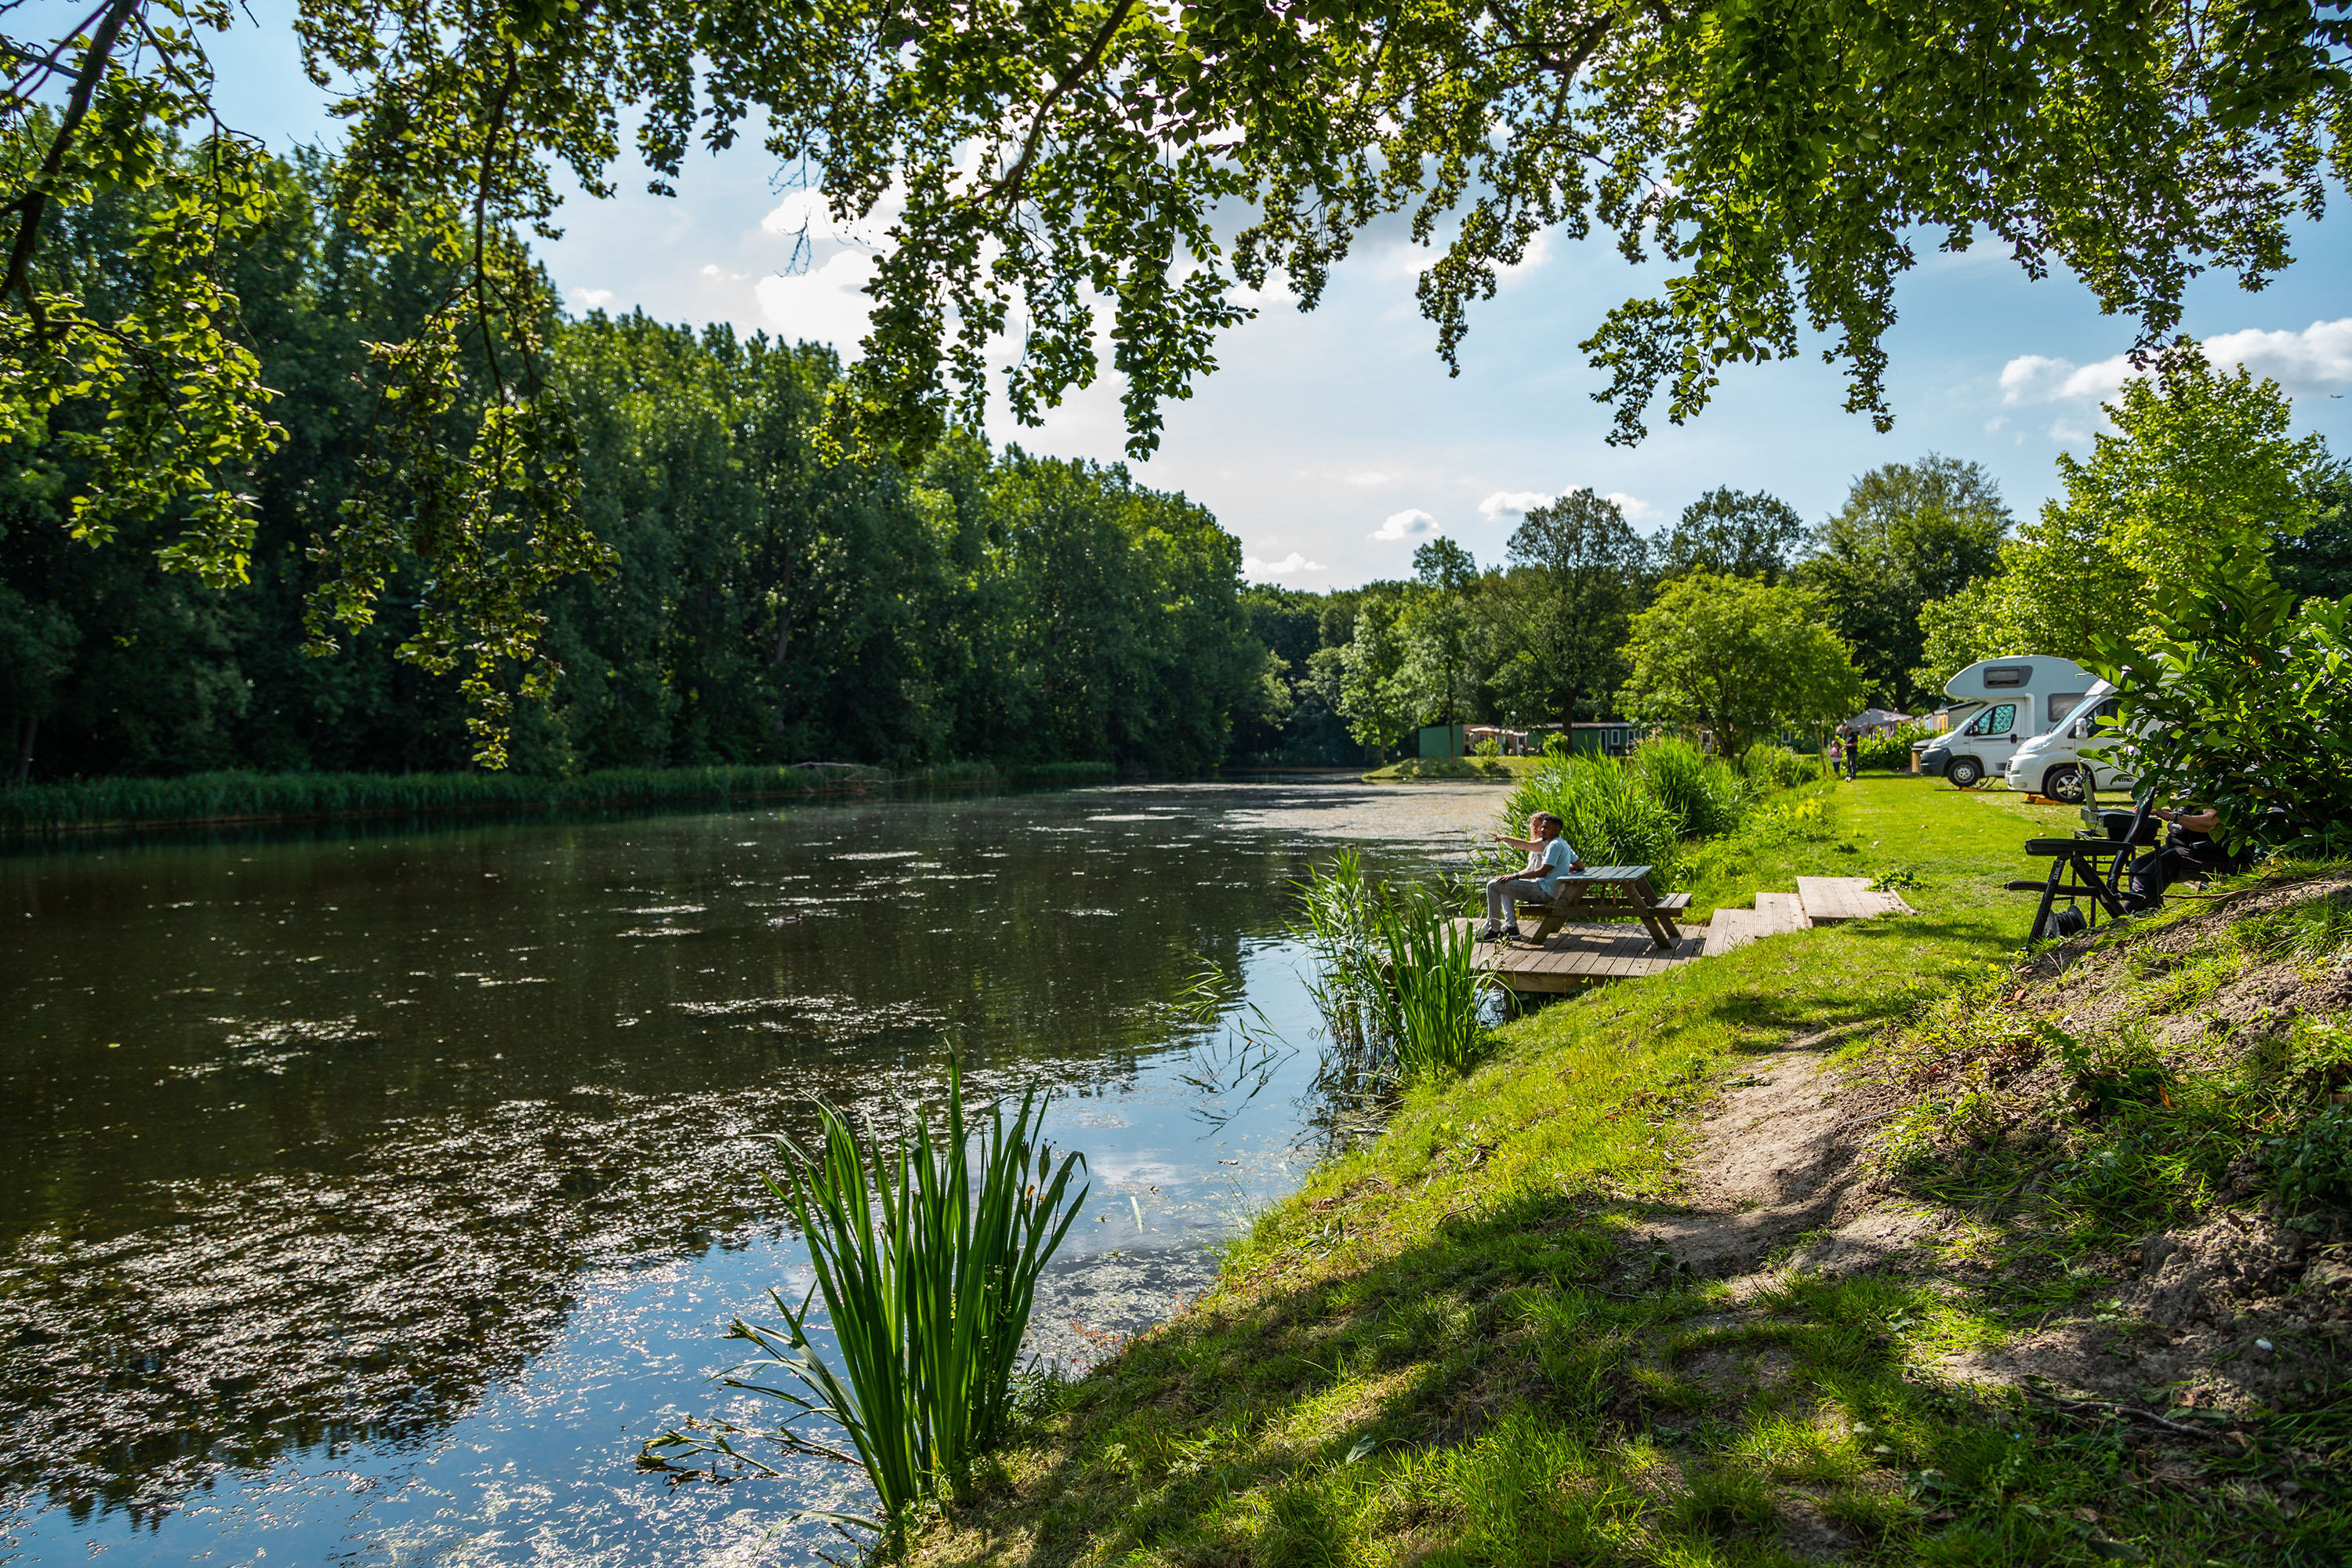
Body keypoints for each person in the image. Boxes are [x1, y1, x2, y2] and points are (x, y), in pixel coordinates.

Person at [1480, 812, 1584, 942]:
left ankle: (1494, 930)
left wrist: (1515, 876)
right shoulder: (1563, 843)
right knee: (1502, 884)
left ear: (1556, 830)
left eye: (1545, 828)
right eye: (1542, 827)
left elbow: (1542, 871)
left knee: (1493, 885)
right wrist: (1562, 868)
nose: (1541, 830)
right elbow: (1580, 866)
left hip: (1543, 891)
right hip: (1550, 890)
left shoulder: (1553, 845)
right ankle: (1511, 929)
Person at [2127, 802, 2245, 907]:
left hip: (2206, 853)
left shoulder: (2209, 789)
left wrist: (2172, 817)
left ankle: (2127, 916)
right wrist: (2160, 811)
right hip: (2179, 847)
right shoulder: (2193, 787)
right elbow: (2189, 813)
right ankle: (2147, 911)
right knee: (2137, 866)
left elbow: (2213, 822)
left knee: (2148, 875)